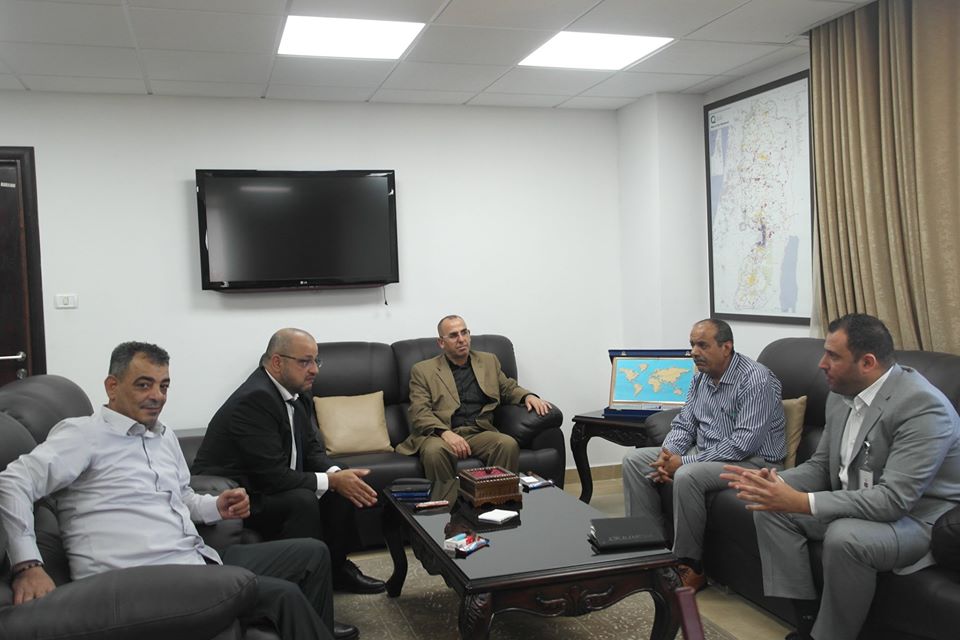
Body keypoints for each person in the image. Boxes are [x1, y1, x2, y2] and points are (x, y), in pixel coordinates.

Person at [0, 341, 358, 640]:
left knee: (312, 554)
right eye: (144, 385)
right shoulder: (83, 435)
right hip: (135, 581)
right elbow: (13, 481)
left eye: (164, 386)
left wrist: (216, 506)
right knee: (283, 595)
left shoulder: (162, 435)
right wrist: (27, 564)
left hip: (192, 560)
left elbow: (182, 497)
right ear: (112, 386)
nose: (157, 396)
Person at [722, 314, 960, 640]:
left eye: (833, 356)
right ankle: (806, 620)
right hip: (860, 502)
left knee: (845, 537)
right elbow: (821, 467)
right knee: (770, 508)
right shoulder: (840, 394)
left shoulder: (922, 407)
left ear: (867, 362)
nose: (822, 364)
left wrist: (802, 502)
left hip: (917, 520)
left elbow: (893, 501)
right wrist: (775, 485)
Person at [191, 328, 385, 594]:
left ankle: (336, 570)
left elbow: (313, 451)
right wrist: (332, 481)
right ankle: (304, 585)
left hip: (269, 484)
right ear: (277, 362)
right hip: (239, 495)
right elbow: (273, 476)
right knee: (303, 499)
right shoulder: (255, 399)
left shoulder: (298, 392)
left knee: (343, 477)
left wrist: (338, 475)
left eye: (316, 361)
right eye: (305, 362)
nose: (314, 370)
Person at [621, 318, 786, 591]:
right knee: (635, 462)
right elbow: (685, 424)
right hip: (709, 452)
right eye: (692, 345)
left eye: (702, 345)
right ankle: (648, 552)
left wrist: (683, 462)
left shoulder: (757, 380)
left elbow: (743, 443)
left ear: (726, 347)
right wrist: (667, 455)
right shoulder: (700, 376)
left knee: (687, 474)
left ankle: (690, 565)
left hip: (754, 461)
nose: (694, 352)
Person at [395, 315, 553, 501]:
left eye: (464, 333)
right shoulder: (423, 370)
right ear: (441, 342)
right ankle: (447, 507)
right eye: (453, 335)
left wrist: (528, 396)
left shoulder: (488, 361)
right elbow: (419, 412)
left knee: (506, 444)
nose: (461, 339)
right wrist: (445, 433)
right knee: (434, 452)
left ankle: (497, 504)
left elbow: (507, 388)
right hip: (439, 434)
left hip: (478, 431)